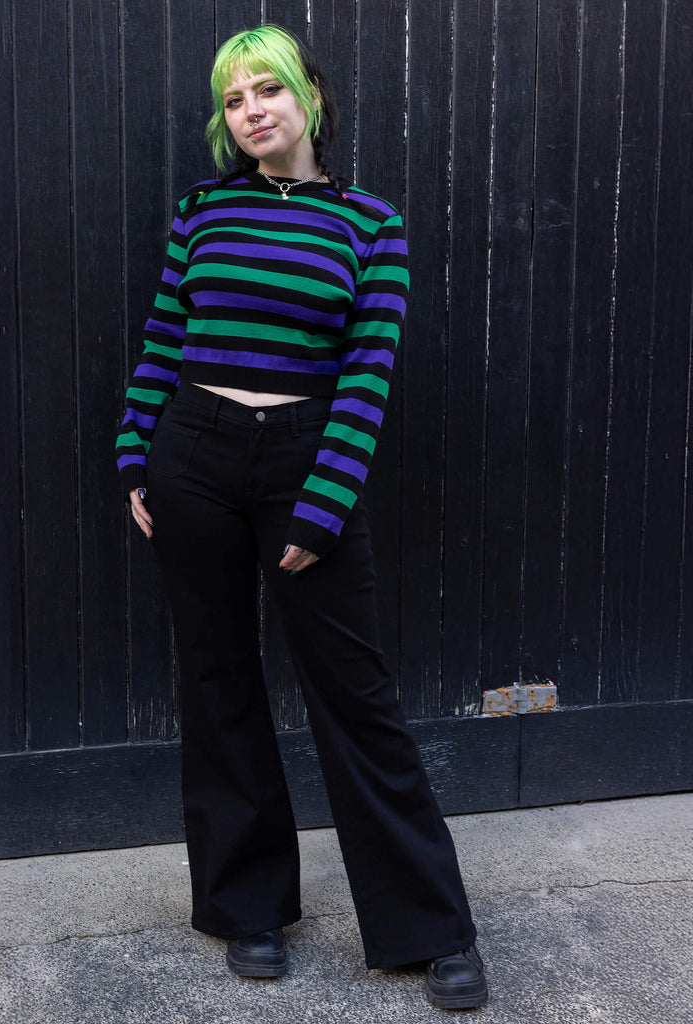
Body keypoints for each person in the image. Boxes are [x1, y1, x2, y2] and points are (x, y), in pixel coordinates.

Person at [115, 23, 488, 1011]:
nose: (252, 112)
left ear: (310, 102)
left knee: (354, 696)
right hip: (192, 456)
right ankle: (247, 909)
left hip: (302, 462)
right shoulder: (203, 213)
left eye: (268, 91)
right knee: (218, 680)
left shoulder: (371, 224)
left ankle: (431, 926)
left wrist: (324, 500)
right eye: (234, 100)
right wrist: (133, 457)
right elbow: (164, 337)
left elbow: (368, 376)